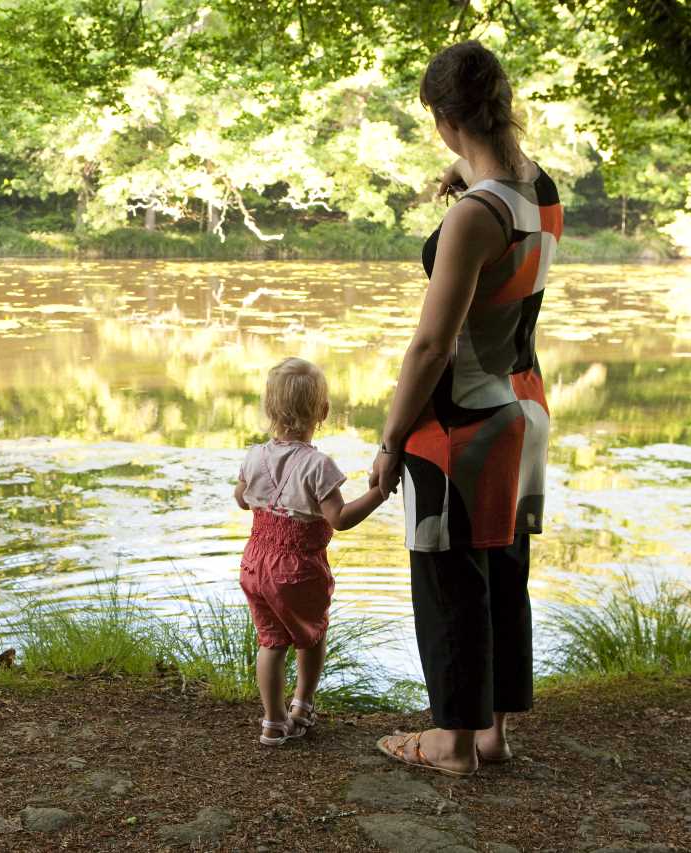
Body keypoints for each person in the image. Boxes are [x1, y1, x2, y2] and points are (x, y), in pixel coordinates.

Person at [369, 40, 563, 776]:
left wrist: (391, 438)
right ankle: (493, 734)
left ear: (446, 119)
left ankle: (450, 742)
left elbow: (430, 344)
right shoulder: (539, 190)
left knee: (448, 575)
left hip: (461, 421)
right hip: (521, 402)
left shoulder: (472, 220)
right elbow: (502, 181)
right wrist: (465, 170)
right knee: (504, 569)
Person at [234, 357, 386, 747]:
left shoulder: (253, 457)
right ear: (323, 411)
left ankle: (272, 722)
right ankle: (302, 705)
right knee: (312, 634)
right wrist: (379, 493)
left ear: (269, 409)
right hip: (297, 567)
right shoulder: (317, 466)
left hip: (254, 563)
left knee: (270, 641)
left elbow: (241, 500)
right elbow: (340, 518)